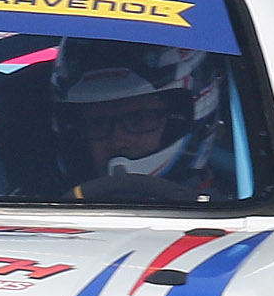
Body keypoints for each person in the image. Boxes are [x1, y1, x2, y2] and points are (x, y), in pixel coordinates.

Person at [49, 43, 235, 203]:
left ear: (181, 120)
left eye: (139, 119)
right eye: (97, 123)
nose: (118, 141)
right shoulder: (36, 208)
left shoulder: (247, 207)